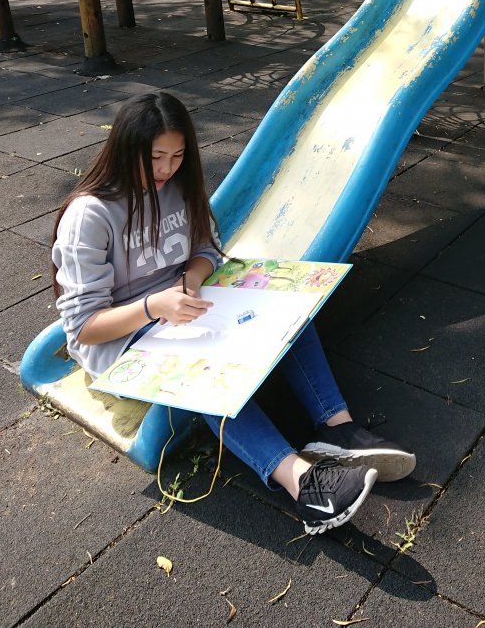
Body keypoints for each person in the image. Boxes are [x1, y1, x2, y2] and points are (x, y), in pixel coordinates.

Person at [51, 91, 415, 535]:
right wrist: (153, 305)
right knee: (204, 367)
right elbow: (84, 328)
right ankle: (303, 485)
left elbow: (207, 249)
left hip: (180, 306)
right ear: (126, 149)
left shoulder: (178, 186)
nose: (166, 169)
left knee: (282, 308)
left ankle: (338, 429)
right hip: (121, 338)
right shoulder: (89, 215)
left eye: (177, 156)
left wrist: (190, 279)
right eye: (156, 157)